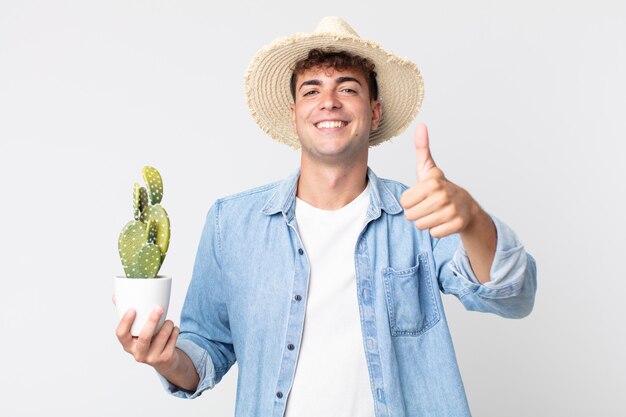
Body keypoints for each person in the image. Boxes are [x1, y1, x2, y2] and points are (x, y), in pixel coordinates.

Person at [115, 16, 537, 417]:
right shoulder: (232, 224)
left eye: (348, 88)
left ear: (374, 112)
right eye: (311, 90)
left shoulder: (420, 215)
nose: (329, 101)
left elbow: (513, 296)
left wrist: (471, 219)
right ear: (296, 112)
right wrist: (167, 360)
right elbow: (205, 351)